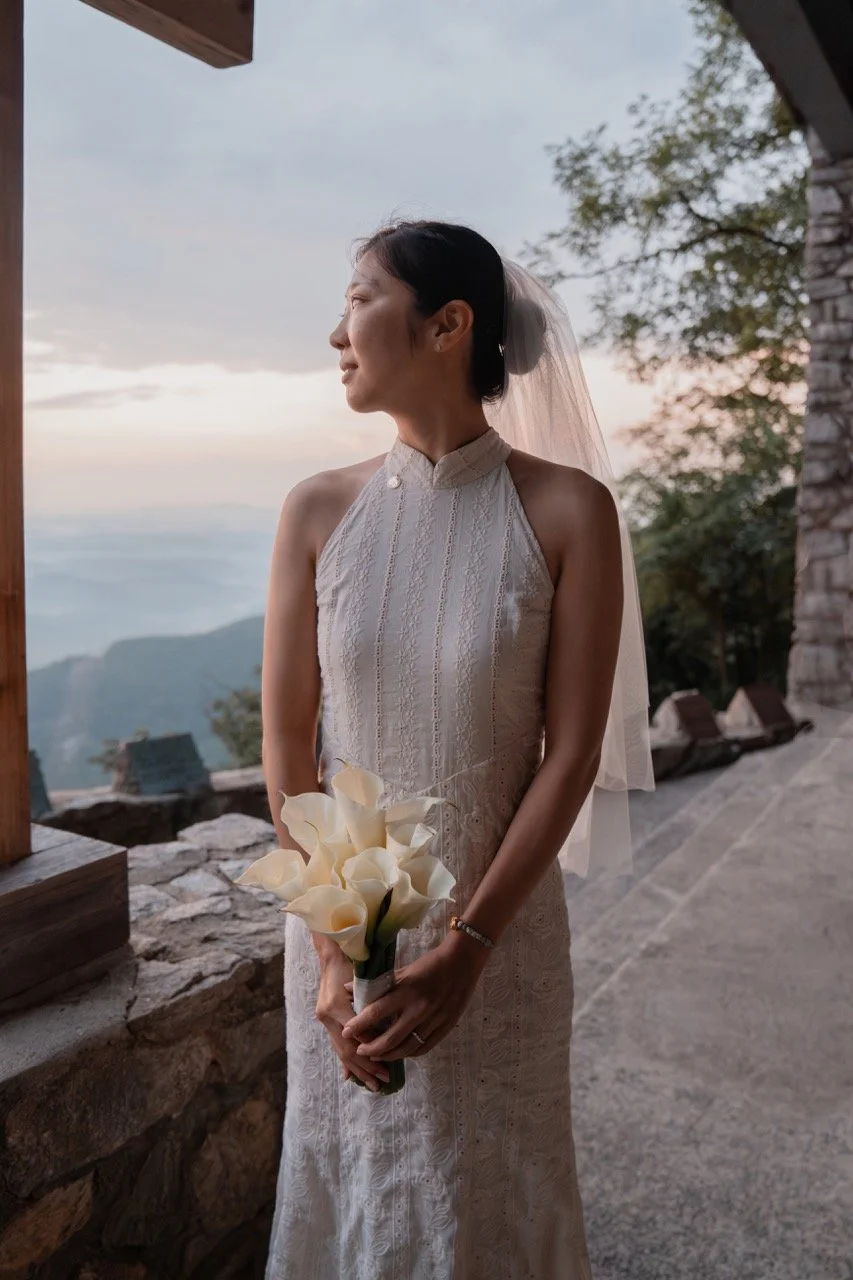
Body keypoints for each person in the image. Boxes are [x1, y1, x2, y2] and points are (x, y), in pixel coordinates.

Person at [259, 219, 652, 1279]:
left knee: (495, 1199)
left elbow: (569, 751)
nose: (335, 331)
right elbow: (288, 748)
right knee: (354, 1193)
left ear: (447, 324)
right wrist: (340, 948)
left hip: (501, 937)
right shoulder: (314, 511)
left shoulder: (569, 510)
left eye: (356, 299)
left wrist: (468, 948)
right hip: (344, 938)